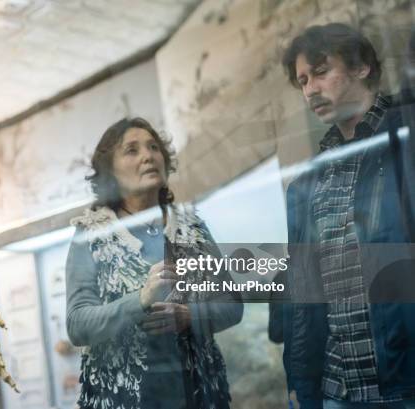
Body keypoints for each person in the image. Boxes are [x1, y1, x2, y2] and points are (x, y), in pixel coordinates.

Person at [65, 117, 243, 409]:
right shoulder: (92, 234)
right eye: (131, 150)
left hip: (199, 395)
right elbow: (77, 324)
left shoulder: (190, 226)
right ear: (110, 171)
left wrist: (189, 316)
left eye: (153, 147)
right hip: (123, 399)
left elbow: (232, 305)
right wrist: (140, 300)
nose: (148, 155)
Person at [281, 23, 415, 409]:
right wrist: (302, 384)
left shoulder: (405, 136)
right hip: (339, 389)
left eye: (320, 73)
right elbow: (302, 296)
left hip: (405, 385)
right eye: (302, 80)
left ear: (361, 67)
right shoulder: (308, 181)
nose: (309, 90)